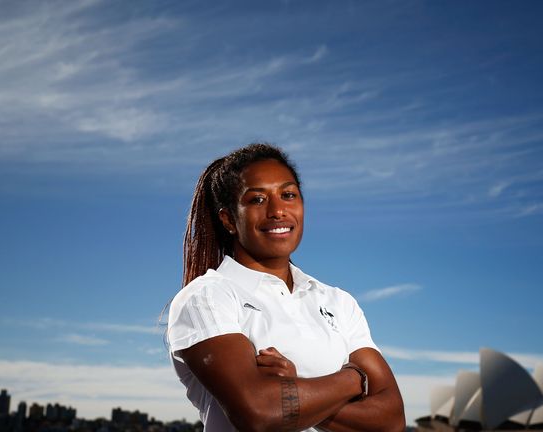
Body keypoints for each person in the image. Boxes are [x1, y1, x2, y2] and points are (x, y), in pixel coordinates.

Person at [166, 143, 405, 432]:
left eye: (288, 195)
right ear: (229, 219)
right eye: (257, 200)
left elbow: (391, 420)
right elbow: (260, 414)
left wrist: (296, 385)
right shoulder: (206, 298)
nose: (278, 211)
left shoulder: (339, 302)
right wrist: (354, 379)